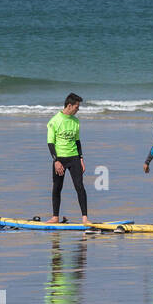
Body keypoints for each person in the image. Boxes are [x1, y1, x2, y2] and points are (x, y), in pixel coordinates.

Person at [47, 93, 88, 223]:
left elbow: (77, 141)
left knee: (79, 186)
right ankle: (55, 217)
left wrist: (81, 158)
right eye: (77, 107)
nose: (78, 110)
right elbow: (50, 143)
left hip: (74, 158)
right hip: (60, 159)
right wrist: (56, 161)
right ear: (69, 106)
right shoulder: (54, 121)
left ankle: (85, 218)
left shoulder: (76, 121)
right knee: (57, 187)